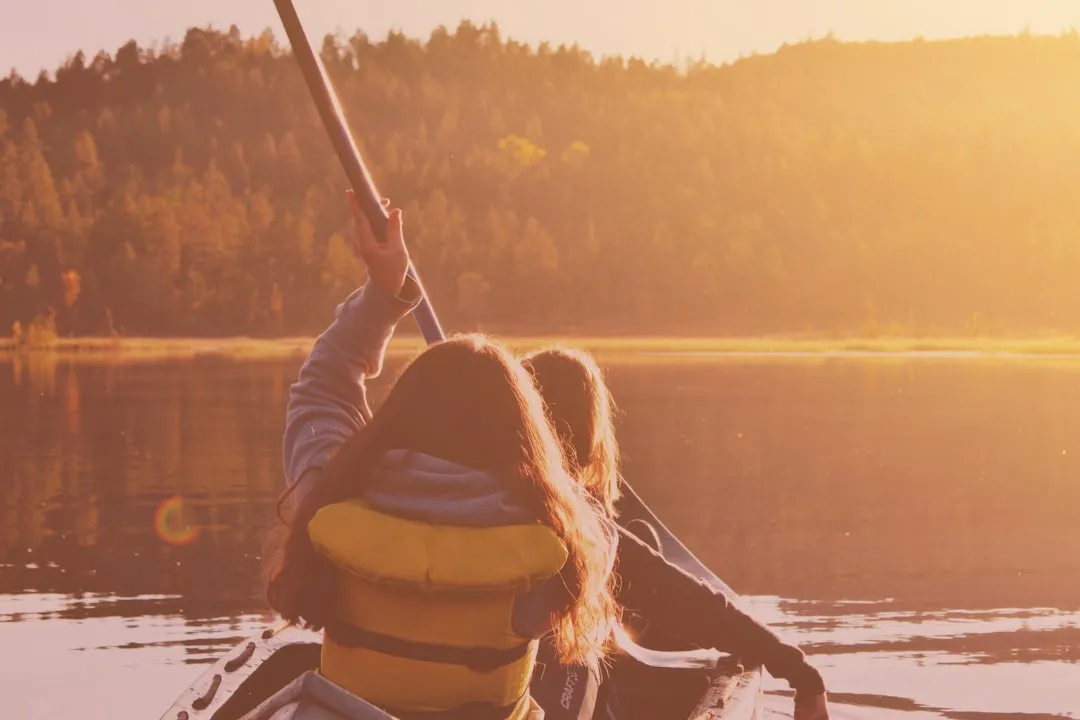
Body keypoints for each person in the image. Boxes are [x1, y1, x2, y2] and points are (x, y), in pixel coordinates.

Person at [266, 192, 619, 720]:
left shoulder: (330, 498)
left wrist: (385, 291)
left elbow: (324, 384)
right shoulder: (557, 548)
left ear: (400, 415)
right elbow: (597, 524)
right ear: (524, 437)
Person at [522, 346, 831, 720]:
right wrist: (802, 673)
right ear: (591, 432)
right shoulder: (585, 534)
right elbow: (690, 604)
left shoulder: (467, 514)